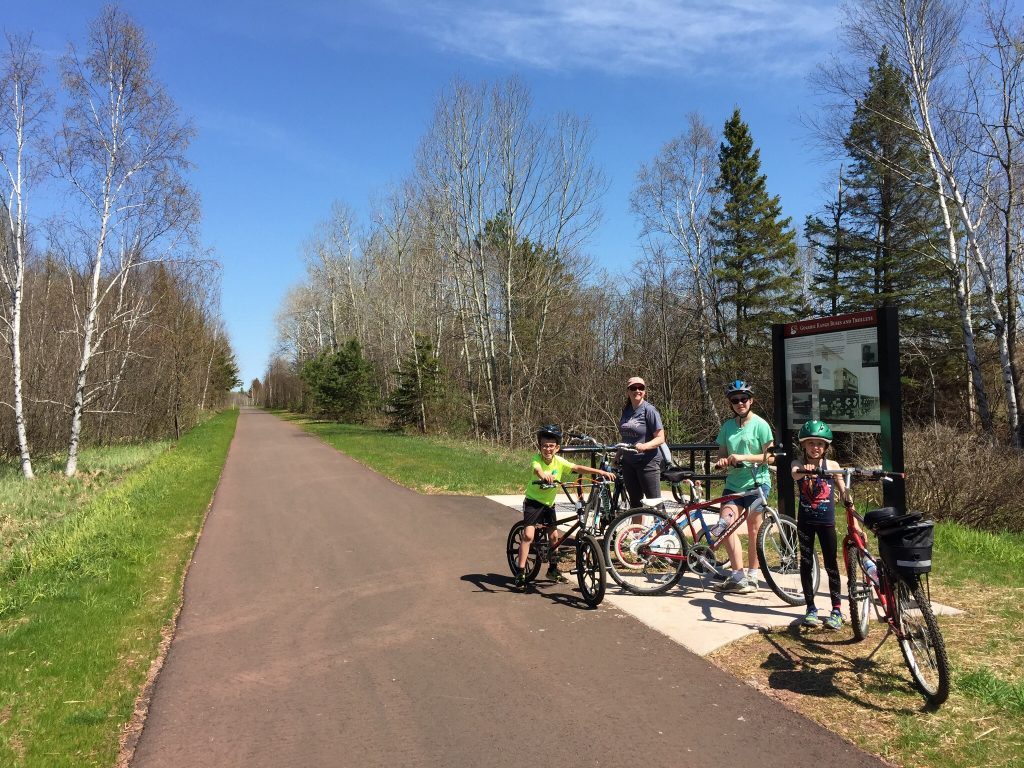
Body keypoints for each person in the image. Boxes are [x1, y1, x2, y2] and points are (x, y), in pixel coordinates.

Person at [514, 424, 616, 590]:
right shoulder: (536, 459)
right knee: (528, 536)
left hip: (549, 504)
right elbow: (538, 470)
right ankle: (520, 572)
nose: (548, 449)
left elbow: (576, 467)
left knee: (554, 537)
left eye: (551, 446)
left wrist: (600, 472)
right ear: (540, 447)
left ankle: (552, 570)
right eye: (544, 446)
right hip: (533, 502)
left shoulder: (559, 461)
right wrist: (544, 476)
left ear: (557, 448)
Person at [712, 380, 775, 594]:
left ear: (751, 400)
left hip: (757, 483)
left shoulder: (761, 425)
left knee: (754, 529)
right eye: (735, 400)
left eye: (744, 399)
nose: (740, 403)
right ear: (730, 403)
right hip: (734, 485)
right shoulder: (727, 427)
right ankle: (738, 576)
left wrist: (743, 457)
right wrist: (722, 462)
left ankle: (753, 576)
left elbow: (771, 457)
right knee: (725, 525)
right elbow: (721, 454)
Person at [791, 419, 853, 629]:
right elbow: (795, 473)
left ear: (826, 447)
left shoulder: (832, 466)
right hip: (805, 523)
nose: (815, 447)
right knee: (806, 562)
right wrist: (805, 470)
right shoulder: (798, 463)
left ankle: (836, 609)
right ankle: (810, 608)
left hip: (827, 523)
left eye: (819, 444)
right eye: (811, 443)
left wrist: (849, 502)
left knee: (831, 564)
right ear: (804, 445)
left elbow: (843, 489)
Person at [617, 376, 666, 508]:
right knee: (635, 505)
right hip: (628, 463)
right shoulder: (626, 410)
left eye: (641, 388)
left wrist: (644, 446)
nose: (637, 391)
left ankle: (662, 523)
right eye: (633, 388)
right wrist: (618, 455)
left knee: (655, 503)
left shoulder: (649, 410)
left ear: (644, 391)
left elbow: (660, 438)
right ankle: (637, 523)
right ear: (628, 391)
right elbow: (625, 438)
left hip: (647, 462)